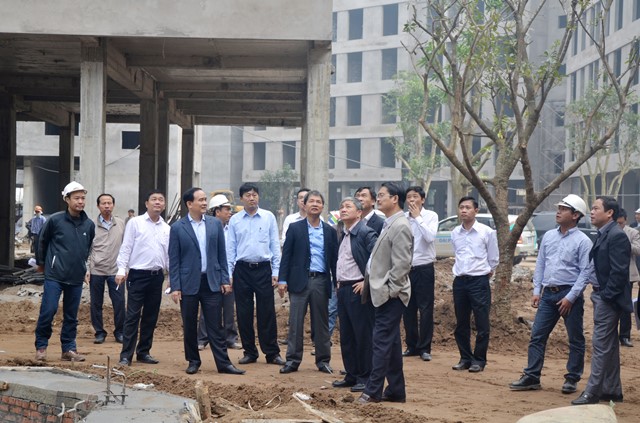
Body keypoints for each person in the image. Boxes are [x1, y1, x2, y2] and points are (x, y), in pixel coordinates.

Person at [509, 194, 591, 394]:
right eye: (559, 208)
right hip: (548, 294)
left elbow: (585, 273)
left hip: (569, 294)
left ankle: (572, 378)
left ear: (576, 215)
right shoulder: (549, 236)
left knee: (575, 339)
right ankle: (532, 376)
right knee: (537, 335)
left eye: (564, 209)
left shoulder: (583, 242)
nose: (558, 212)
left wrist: (570, 298)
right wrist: (537, 291)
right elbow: (541, 264)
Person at [168, 188, 245, 376]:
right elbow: (174, 260)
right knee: (189, 324)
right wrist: (175, 287)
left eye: (205, 199)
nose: (204, 203)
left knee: (215, 325)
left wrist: (224, 279)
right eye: (200, 200)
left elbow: (221, 254)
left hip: (211, 282)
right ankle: (193, 361)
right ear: (189, 204)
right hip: (188, 283)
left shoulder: (214, 224)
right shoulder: (178, 228)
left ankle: (224, 363)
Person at [572, 197, 632, 405]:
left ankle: (592, 392)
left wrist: (606, 296)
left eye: (596, 208)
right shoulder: (604, 233)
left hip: (608, 299)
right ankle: (612, 390)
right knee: (609, 345)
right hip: (601, 296)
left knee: (600, 345)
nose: (591, 211)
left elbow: (619, 272)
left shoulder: (616, 235)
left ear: (609, 213)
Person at [358, 182, 413, 404]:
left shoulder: (401, 226)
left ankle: (373, 391)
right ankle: (397, 390)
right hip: (383, 292)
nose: (378, 198)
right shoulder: (390, 223)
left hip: (391, 295)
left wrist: (390, 291)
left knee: (380, 342)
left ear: (395, 199)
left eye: (381, 195)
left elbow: (402, 265)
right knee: (391, 343)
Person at [277, 190, 338, 374]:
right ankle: (292, 360)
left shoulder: (329, 231)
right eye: (311, 201)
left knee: (321, 323)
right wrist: (282, 279)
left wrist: (337, 281)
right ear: (304, 205)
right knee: (295, 323)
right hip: (299, 281)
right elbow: (286, 255)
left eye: (318, 202)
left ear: (323, 206)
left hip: (321, 280)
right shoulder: (295, 228)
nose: (315, 204)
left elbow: (334, 259)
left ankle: (323, 360)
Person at [34, 181, 95, 362]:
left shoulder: (89, 225)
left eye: (82, 198)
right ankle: (41, 347)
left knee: (71, 316)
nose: (80, 201)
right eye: (76, 198)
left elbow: (87, 249)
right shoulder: (55, 220)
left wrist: (85, 268)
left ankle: (69, 349)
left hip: (75, 276)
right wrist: (41, 263)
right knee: (48, 310)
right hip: (55, 275)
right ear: (67, 199)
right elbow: (41, 241)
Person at [227, 183, 285, 366]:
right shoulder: (235, 220)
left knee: (266, 312)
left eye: (254, 195)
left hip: (263, 269)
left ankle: (272, 353)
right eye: (248, 195)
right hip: (242, 270)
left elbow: (275, 245)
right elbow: (230, 248)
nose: (252, 198)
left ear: (258, 197)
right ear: (241, 198)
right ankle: (249, 352)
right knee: (243, 312)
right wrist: (229, 274)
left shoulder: (268, 217)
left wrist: (276, 271)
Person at [116, 190, 170, 366]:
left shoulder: (166, 228)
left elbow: (168, 255)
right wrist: (121, 269)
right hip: (137, 276)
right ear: (146, 203)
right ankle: (126, 355)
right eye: (154, 199)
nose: (157, 202)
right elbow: (126, 247)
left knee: (151, 316)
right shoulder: (135, 223)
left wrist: (171, 277)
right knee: (132, 315)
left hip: (157, 277)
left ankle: (144, 352)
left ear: (164, 205)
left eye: (161, 200)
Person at [331, 197, 377, 393]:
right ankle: (351, 374)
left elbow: (378, 259)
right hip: (343, 290)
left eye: (348, 207)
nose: (343, 209)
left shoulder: (366, 232)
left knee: (362, 335)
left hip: (358, 290)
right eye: (341, 207)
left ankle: (365, 376)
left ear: (359, 213)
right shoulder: (343, 233)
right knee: (347, 336)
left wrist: (367, 281)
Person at [451, 196, 499, 373]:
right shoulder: (455, 232)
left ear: (476, 211)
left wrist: (488, 271)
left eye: (468, 207)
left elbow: (493, 257)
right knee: (461, 322)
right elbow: (457, 254)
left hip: (479, 281)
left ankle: (479, 359)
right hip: (460, 281)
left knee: (481, 322)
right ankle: (465, 358)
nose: (464, 210)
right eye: (461, 207)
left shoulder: (486, 232)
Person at [197, 194, 240, 351]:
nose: (229, 212)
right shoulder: (207, 229)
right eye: (226, 209)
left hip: (229, 273)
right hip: (211, 274)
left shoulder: (231, 229)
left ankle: (230, 338)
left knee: (229, 308)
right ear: (217, 211)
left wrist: (230, 274)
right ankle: (202, 338)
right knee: (208, 307)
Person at [402, 186, 438, 362]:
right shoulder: (402, 218)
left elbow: (430, 237)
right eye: (409, 197)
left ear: (423, 200)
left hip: (424, 268)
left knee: (425, 309)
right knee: (408, 308)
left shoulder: (431, 216)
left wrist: (417, 218)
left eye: (415, 196)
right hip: (406, 269)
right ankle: (411, 345)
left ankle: (425, 347)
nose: (411, 200)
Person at [88, 194, 126, 345]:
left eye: (109, 203)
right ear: (98, 206)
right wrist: (87, 269)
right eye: (103, 203)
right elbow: (87, 248)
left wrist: (125, 268)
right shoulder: (91, 225)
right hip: (96, 270)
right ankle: (99, 332)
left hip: (116, 271)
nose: (107, 206)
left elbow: (127, 246)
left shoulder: (121, 223)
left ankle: (120, 332)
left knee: (119, 303)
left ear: (113, 205)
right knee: (96, 303)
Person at [615, 209, 640, 348]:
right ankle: (611, 335)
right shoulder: (608, 231)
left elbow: (638, 249)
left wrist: (624, 243)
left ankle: (625, 335)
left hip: (627, 275)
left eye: (621, 223)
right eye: (617, 223)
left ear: (625, 220)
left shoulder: (633, 232)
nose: (619, 226)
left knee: (625, 305)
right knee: (610, 306)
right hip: (611, 274)